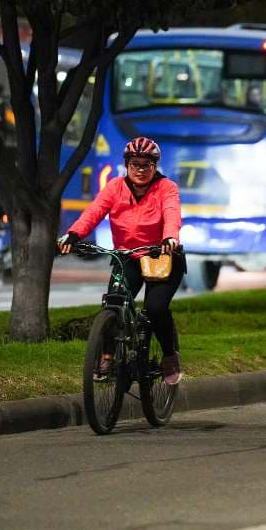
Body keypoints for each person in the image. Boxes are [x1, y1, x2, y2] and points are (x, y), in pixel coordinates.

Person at [57, 137, 185, 385]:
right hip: (127, 256)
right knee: (113, 304)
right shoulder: (115, 187)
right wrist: (73, 234)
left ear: (155, 166)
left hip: (163, 257)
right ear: (126, 164)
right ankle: (107, 356)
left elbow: (172, 213)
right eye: (135, 164)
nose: (140, 169)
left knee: (156, 309)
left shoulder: (166, 188)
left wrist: (170, 237)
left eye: (146, 165)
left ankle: (169, 356)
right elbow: (94, 212)